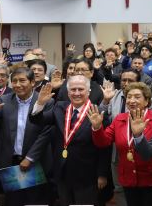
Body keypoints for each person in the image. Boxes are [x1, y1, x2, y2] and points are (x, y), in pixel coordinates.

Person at [29, 75, 110, 206]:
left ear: (88, 91)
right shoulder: (60, 107)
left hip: (87, 175)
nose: (76, 93)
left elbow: (104, 147)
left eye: (80, 89)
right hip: (62, 171)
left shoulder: (98, 112)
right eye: (73, 90)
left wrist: (102, 174)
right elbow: (38, 120)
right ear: (68, 92)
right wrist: (40, 104)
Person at [89, 82, 152, 206]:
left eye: (137, 97)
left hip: (151, 178)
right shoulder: (119, 119)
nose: (131, 100)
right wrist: (97, 128)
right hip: (127, 177)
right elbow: (103, 142)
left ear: (147, 101)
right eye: (129, 97)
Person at [0, 68, 53, 206]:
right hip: (11, 163)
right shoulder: (4, 100)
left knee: (36, 202)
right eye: (14, 81)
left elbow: (46, 133)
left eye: (22, 80)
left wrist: (30, 158)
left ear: (33, 82)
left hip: (35, 162)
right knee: (13, 201)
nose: (17, 84)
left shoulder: (45, 101)